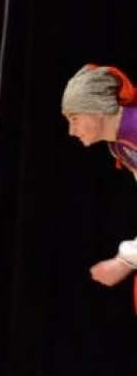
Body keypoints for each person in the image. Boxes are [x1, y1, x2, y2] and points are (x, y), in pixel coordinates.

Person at [62, 64, 137, 306]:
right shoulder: (121, 144)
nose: (72, 131)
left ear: (97, 112)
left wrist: (126, 260)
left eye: (75, 118)